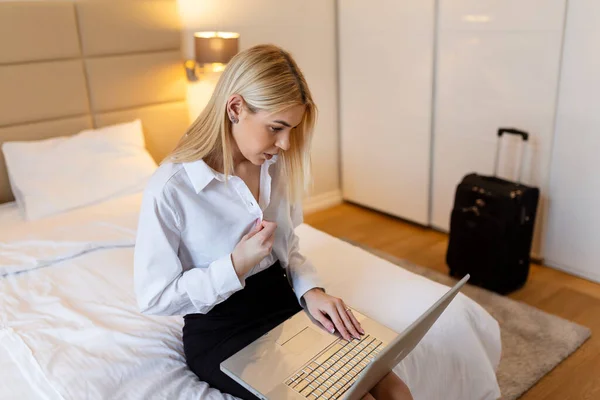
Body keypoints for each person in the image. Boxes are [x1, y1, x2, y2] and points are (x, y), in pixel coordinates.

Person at [134, 44, 413, 400]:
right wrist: (236, 264)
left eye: (291, 129)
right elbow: (153, 297)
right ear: (235, 108)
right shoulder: (171, 189)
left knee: (393, 388)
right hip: (222, 329)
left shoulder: (275, 165)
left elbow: (288, 246)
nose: (284, 143)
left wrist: (311, 290)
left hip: (283, 301)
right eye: (276, 128)